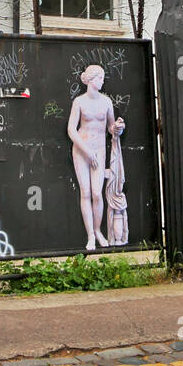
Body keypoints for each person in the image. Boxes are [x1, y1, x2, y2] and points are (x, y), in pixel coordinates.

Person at [67, 64, 125, 251]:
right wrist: (86, 150)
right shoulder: (79, 102)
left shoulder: (106, 102)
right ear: (91, 80)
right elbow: (71, 130)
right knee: (85, 193)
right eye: (100, 78)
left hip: (99, 151)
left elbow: (109, 127)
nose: (103, 81)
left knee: (97, 194)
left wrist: (116, 127)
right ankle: (90, 235)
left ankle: (98, 230)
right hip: (82, 151)